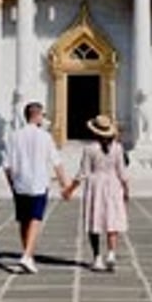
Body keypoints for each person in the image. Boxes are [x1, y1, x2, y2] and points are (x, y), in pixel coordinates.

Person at [4, 101, 69, 274]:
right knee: (35, 219)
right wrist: (65, 185)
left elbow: (7, 166)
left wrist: (12, 185)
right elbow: (57, 162)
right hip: (39, 183)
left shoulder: (14, 136)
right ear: (38, 116)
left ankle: (28, 256)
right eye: (42, 115)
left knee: (23, 219)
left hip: (20, 183)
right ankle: (27, 256)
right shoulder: (45, 137)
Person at [64, 114, 129, 271]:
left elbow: (83, 173)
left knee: (95, 221)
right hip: (113, 184)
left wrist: (70, 189)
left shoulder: (90, 149)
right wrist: (126, 190)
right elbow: (122, 172)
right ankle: (111, 253)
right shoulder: (117, 148)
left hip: (96, 186)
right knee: (111, 219)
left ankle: (97, 257)